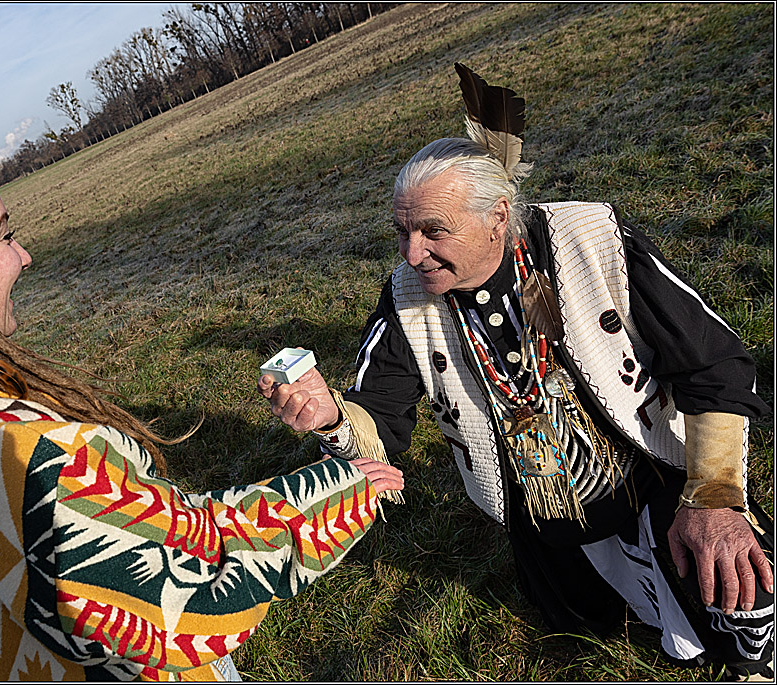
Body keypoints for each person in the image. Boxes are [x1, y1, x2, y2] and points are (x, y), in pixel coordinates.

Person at [0, 112, 404, 682]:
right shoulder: (19, 445)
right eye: (5, 234)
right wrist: (336, 494)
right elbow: (190, 592)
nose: (25, 255)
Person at [258, 63, 774, 680]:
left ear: (498, 217)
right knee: (580, 622)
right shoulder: (407, 296)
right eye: (401, 231)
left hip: (655, 480)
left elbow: (714, 364)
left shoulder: (590, 238)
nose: (411, 253)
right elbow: (381, 427)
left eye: (432, 232)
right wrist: (333, 416)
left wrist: (713, 496)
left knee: (747, 598)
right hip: (542, 530)